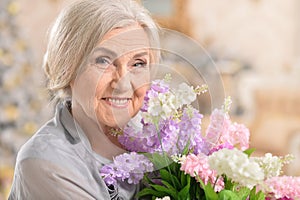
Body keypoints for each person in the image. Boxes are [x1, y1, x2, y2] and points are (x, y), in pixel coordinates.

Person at [9, 0, 160, 199]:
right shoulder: (46, 163)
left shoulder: (159, 146)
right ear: (68, 69)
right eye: (103, 60)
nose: (123, 84)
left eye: (138, 63)